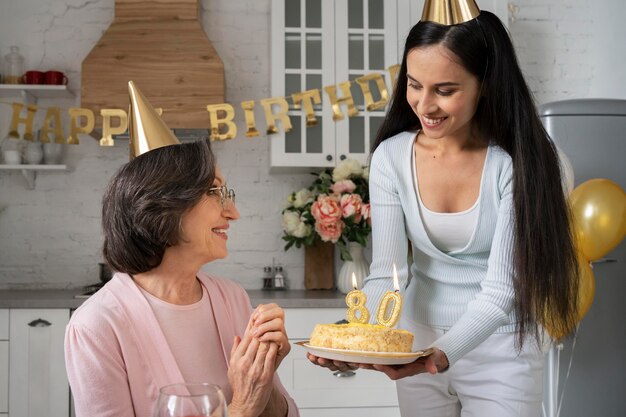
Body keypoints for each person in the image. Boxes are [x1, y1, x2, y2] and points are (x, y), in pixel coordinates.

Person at [308, 1, 580, 416]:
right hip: (416, 338)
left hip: (501, 348)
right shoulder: (391, 157)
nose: (424, 105)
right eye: (414, 85)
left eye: (445, 90)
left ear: (484, 83)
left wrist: (442, 354)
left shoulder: (516, 165)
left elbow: (500, 292)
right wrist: (352, 337)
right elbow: (387, 273)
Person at [65, 82, 299, 417]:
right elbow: (246, 408)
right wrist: (243, 406)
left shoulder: (233, 299)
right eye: (215, 191)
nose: (233, 212)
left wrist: (261, 381)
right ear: (164, 207)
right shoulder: (96, 327)